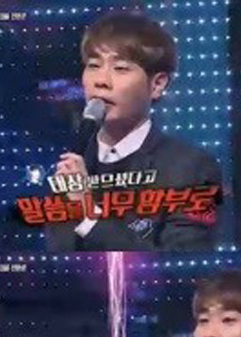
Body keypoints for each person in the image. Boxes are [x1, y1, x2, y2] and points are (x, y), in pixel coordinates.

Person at [46, 11, 222, 251]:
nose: (101, 81)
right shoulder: (72, 166)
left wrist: (88, 211)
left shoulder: (191, 168)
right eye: (94, 65)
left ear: (157, 84)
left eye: (120, 68)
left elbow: (181, 260)